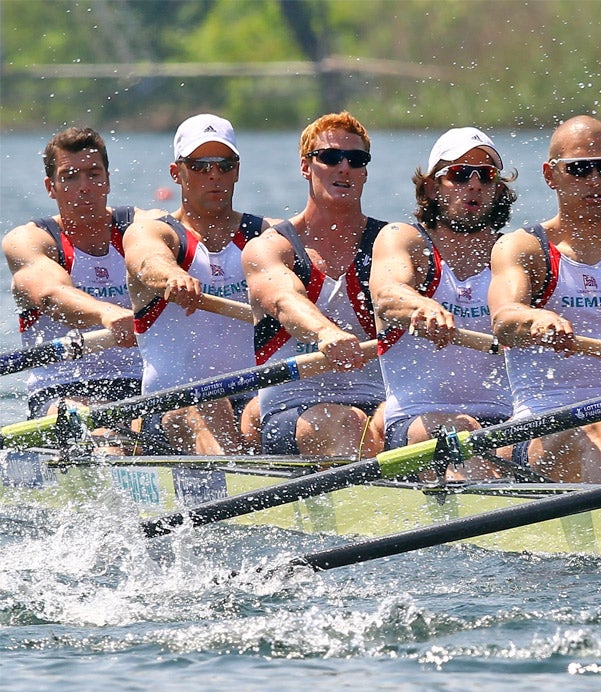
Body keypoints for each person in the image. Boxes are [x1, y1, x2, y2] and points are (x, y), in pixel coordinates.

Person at [488, 115, 601, 482]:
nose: (594, 181)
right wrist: (534, 320)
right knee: (598, 428)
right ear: (550, 174)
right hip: (541, 422)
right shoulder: (524, 247)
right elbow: (505, 320)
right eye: (579, 169)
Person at [370, 127, 517, 478]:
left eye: (487, 175)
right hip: (416, 420)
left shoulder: (513, 251)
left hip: (506, 421)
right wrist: (422, 307)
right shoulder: (404, 240)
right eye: (459, 174)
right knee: (462, 432)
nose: (475, 184)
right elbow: (388, 295)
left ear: (498, 189)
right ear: (433, 187)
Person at [123, 113, 270, 455]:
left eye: (224, 164)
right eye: (200, 165)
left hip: (251, 398)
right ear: (177, 173)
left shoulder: (266, 236)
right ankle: (246, 492)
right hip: (171, 407)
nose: (214, 175)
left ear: (237, 170)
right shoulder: (155, 230)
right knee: (208, 406)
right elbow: (146, 258)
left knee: (285, 409)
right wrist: (172, 276)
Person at [241, 112, 386, 458]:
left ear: (365, 171)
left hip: (378, 406)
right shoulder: (270, 247)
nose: (344, 168)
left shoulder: (388, 242)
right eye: (330, 158)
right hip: (292, 409)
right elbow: (284, 301)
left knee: (435, 429)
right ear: (306, 166)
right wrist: (325, 332)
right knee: (345, 423)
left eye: (356, 159)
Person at [4, 127, 156, 425]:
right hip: (61, 390)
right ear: (51, 187)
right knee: (94, 424)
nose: (84, 186)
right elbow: (51, 295)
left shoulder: (142, 227)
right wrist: (108, 314)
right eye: (70, 176)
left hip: (142, 385)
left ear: (108, 180)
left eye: (94, 174)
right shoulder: (30, 240)